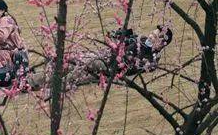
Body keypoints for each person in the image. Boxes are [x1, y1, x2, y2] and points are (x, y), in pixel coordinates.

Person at [29, 25, 173, 91]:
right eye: (152, 34)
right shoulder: (140, 40)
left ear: (162, 43)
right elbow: (116, 38)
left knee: (78, 68)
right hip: (105, 56)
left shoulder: (151, 60)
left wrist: (127, 48)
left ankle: (50, 85)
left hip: (109, 67)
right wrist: (120, 34)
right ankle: (34, 81)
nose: (150, 37)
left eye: (154, 37)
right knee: (72, 61)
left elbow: (129, 65)